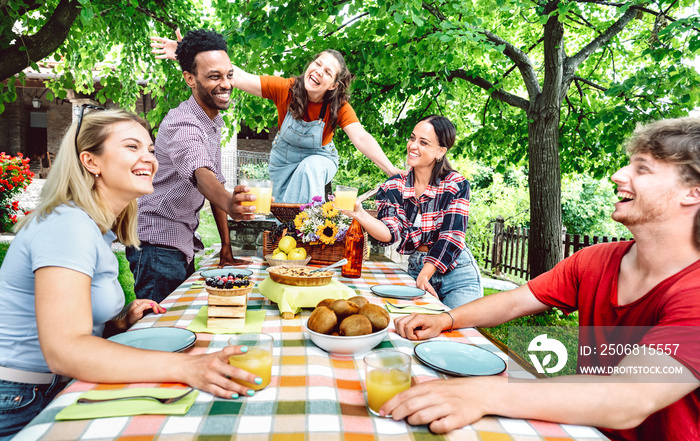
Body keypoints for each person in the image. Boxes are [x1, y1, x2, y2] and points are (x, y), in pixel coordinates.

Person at [387, 117, 700, 441]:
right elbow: (514, 301)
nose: (618, 175)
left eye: (643, 169)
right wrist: (447, 319)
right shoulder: (595, 260)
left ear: (693, 192)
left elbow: (631, 397)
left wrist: (484, 394)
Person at [0, 108, 261, 440]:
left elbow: (64, 321)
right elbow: (64, 350)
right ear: (91, 162)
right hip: (18, 401)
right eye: (131, 147)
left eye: (151, 150)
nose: (149, 159)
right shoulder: (67, 225)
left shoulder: (93, 228)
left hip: (44, 390)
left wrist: (114, 325)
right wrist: (187, 368)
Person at [151, 30, 404, 204]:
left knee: (310, 168)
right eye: (317, 63)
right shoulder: (286, 89)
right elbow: (234, 75)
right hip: (283, 161)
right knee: (280, 208)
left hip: (320, 160)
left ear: (333, 85)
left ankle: (307, 232)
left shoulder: (337, 107)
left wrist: (392, 171)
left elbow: (361, 138)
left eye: (328, 72)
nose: (318, 71)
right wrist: (187, 54)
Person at [128, 29, 255, 304]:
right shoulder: (182, 122)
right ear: (190, 79)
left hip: (179, 241)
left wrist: (226, 245)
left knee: (177, 322)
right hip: (157, 245)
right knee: (158, 331)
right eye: (214, 76)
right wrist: (230, 203)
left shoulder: (211, 124)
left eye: (228, 75)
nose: (226, 84)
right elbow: (200, 173)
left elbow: (215, 185)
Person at [344, 115, 482, 309]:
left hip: (457, 273)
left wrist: (425, 274)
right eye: (412, 138)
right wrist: (360, 214)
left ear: (440, 151)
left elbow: (451, 237)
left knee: (459, 332)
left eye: (423, 142)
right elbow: (389, 233)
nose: (413, 146)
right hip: (417, 268)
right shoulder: (394, 186)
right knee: (417, 329)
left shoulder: (455, 184)